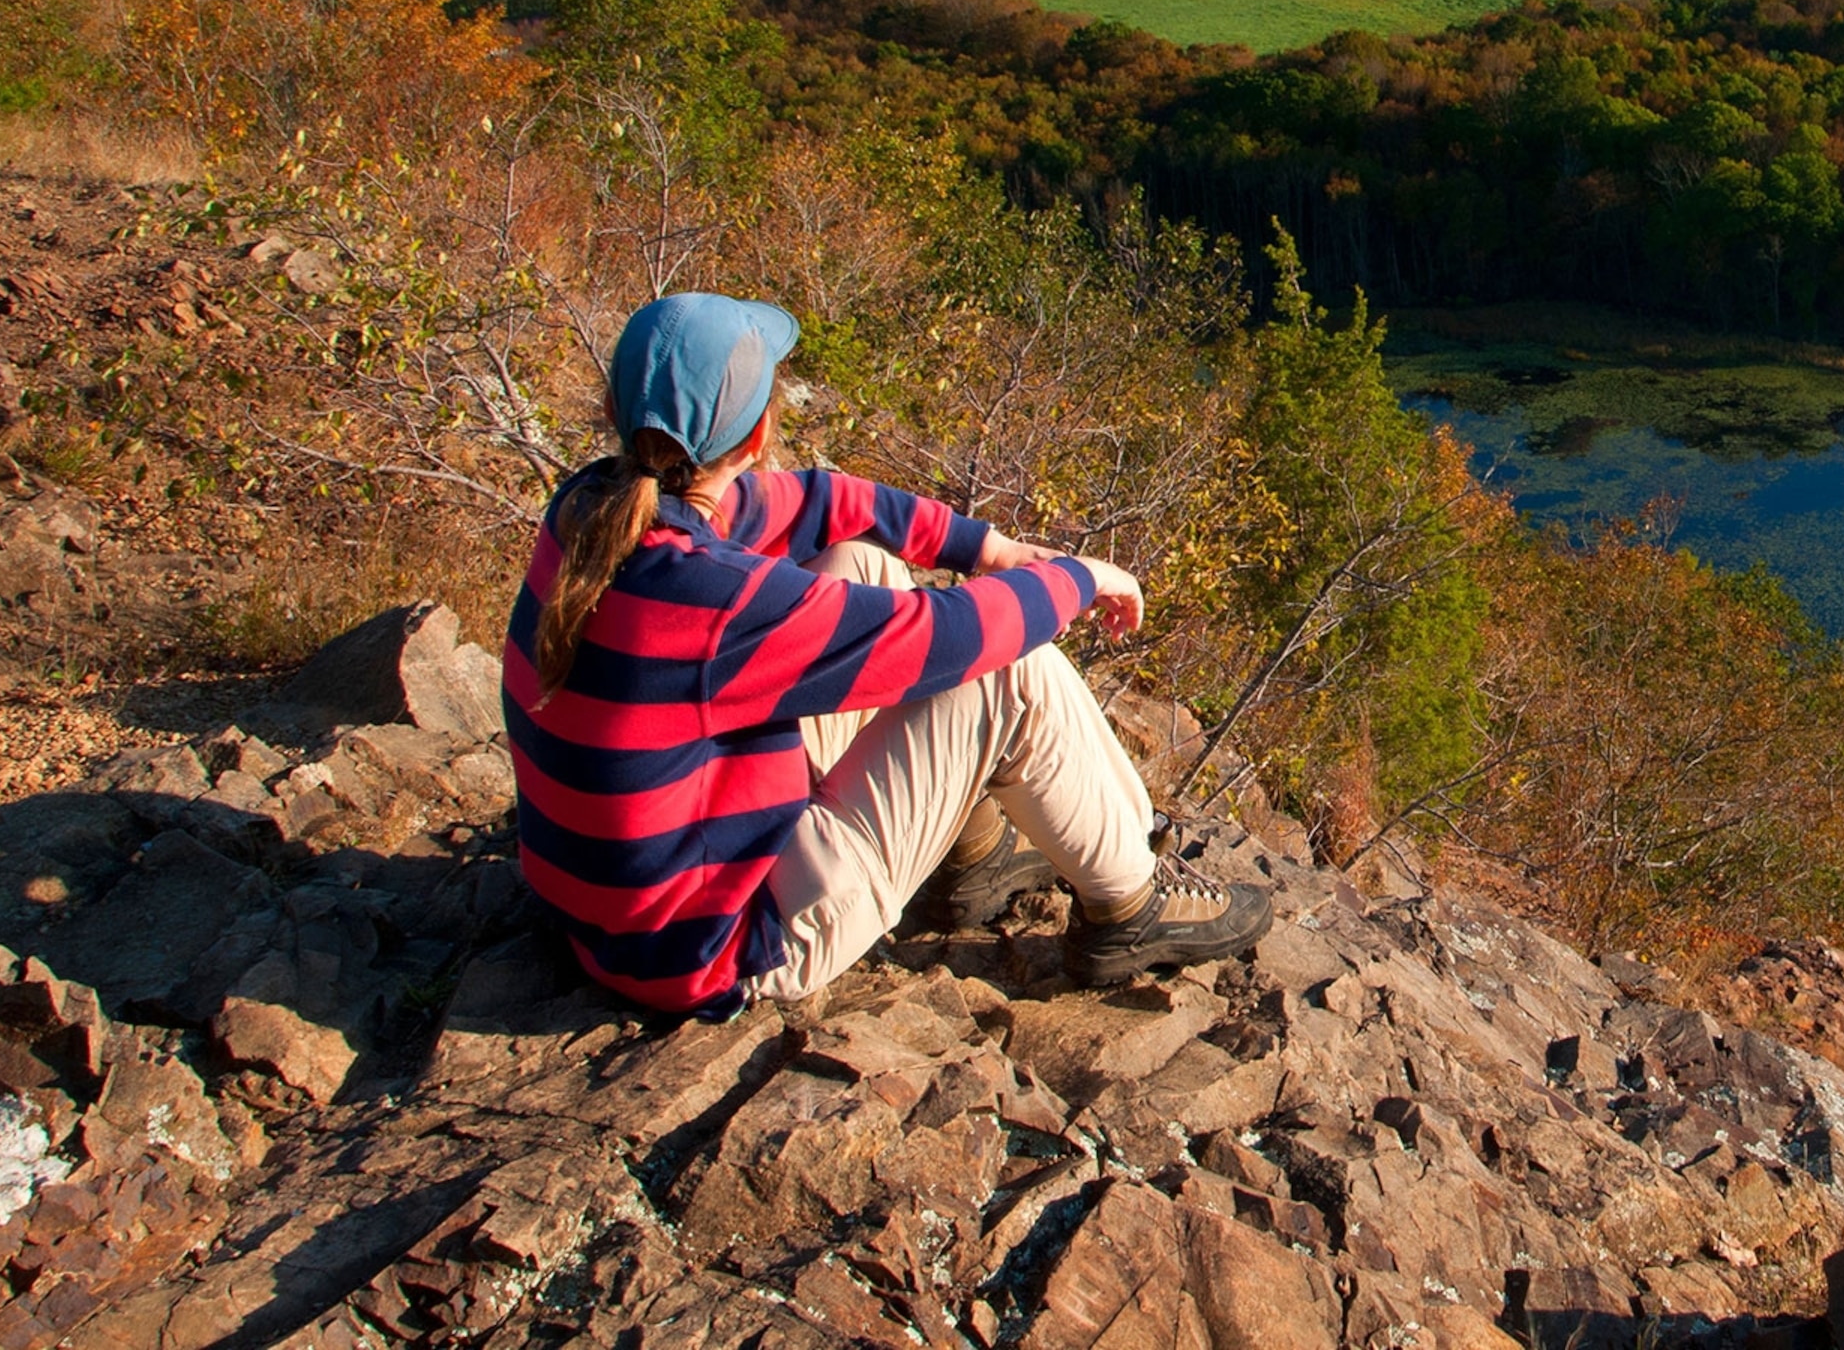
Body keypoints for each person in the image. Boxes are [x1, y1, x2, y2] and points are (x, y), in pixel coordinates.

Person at [502, 292, 1269, 1015]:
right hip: (722, 945)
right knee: (1011, 671)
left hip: (634, 906)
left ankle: (967, 855)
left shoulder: (593, 513)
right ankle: (1131, 902)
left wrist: (988, 548)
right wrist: (1078, 578)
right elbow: (955, 639)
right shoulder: (707, 601)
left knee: (857, 562)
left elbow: (823, 504)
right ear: (758, 436)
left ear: (614, 414)